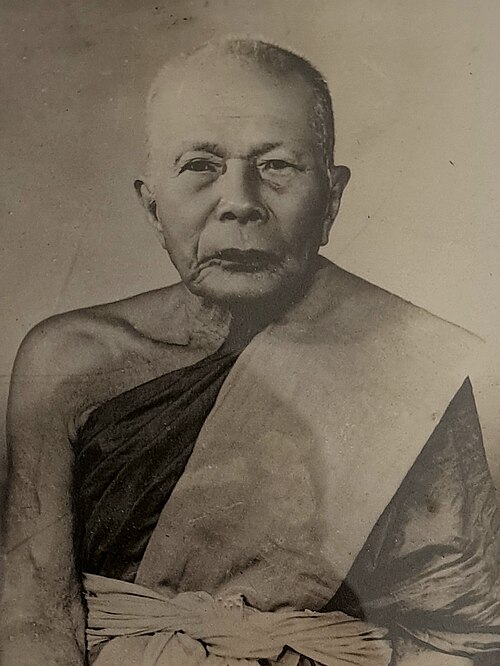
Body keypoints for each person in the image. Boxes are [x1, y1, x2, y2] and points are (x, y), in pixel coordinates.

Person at [1, 38, 499, 666]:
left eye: (277, 166)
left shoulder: (408, 363)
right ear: (152, 206)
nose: (240, 202)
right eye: (200, 165)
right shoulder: (69, 361)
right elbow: (33, 617)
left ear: (332, 200)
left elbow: (459, 635)